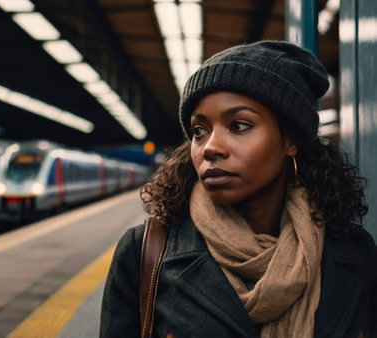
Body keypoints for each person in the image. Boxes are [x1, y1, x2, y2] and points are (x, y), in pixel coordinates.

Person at [99, 40, 377, 337]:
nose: (210, 148)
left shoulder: (355, 253)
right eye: (199, 131)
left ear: (290, 140)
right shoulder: (145, 252)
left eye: (240, 125)